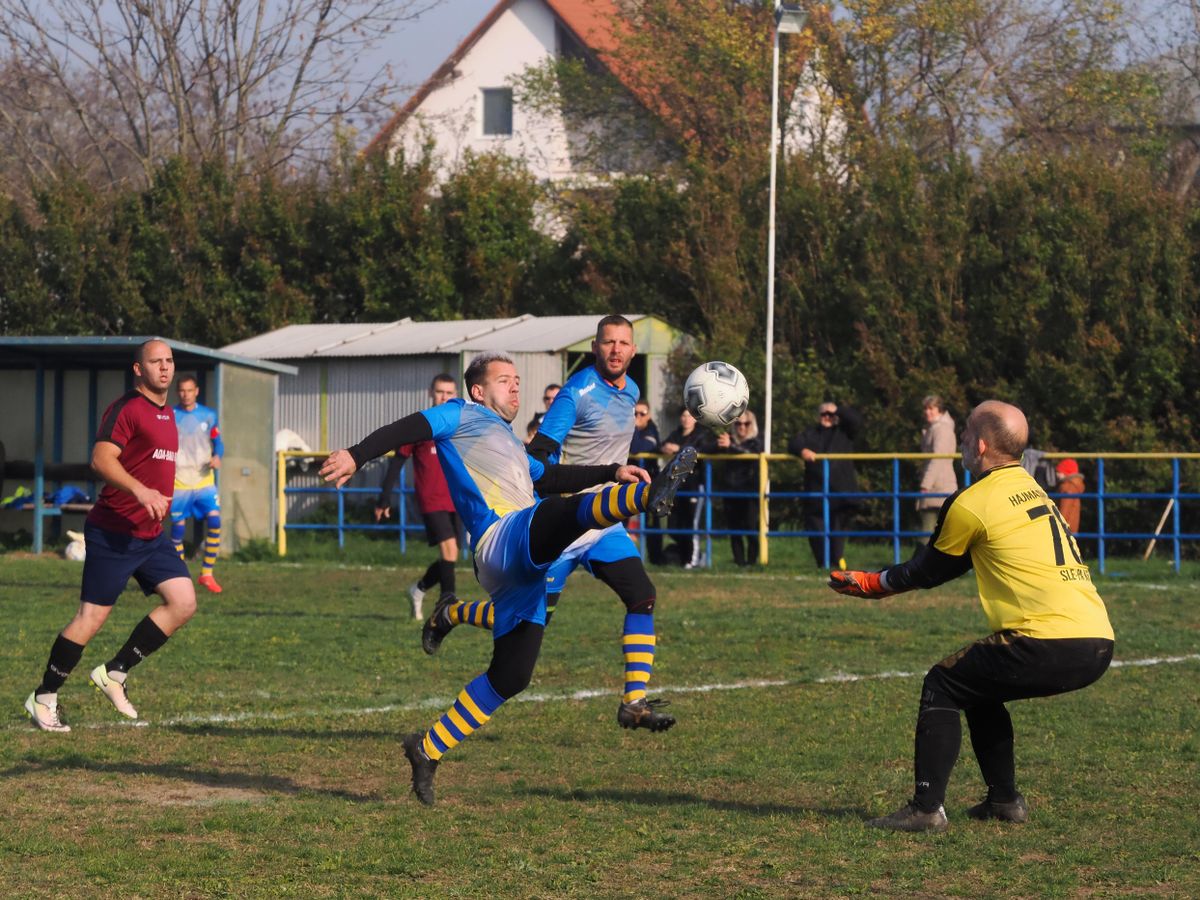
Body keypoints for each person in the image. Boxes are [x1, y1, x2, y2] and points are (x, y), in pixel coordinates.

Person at [319, 351, 696, 805]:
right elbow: (410, 427)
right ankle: (645, 496)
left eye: (518, 380)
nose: (515, 386)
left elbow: (550, 475)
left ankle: (427, 747)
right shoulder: (460, 414)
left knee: (513, 675)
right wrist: (357, 454)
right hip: (499, 539)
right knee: (559, 515)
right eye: (504, 380)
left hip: (518, 562)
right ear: (478, 390)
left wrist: (609, 471)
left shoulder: (512, 443)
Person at [830, 400, 1114, 833]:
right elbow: (956, 562)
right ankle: (1004, 801)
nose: (961, 440)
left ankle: (926, 809)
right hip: (1097, 640)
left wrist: (872, 584)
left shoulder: (974, 500)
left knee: (942, 683)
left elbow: (929, 570)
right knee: (978, 687)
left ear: (979, 445)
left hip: (1046, 641)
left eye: (964, 433)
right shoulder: (1034, 490)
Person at [24, 339, 198, 731]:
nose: (165, 368)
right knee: (90, 619)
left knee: (183, 603)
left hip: (151, 535)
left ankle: (115, 672)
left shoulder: (168, 414)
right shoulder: (127, 409)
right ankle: (44, 696)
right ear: (139, 369)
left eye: (169, 361)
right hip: (114, 532)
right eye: (156, 362)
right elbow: (101, 458)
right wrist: (139, 490)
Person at [374, 373, 461, 620]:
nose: (444, 396)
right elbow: (398, 461)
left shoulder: (458, 425)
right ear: (431, 393)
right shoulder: (422, 424)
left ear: (455, 395)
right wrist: (384, 498)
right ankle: (447, 607)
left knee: (451, 555)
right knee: (449, 550)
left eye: (449, 392)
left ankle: (419, 589)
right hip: (430, 498)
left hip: (455, 498)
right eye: (440, 392)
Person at [789, 401, 864, 570]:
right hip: (816, 491)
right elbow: (793, 443)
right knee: (816, 530)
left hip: (841, 491)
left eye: (831, 415)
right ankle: (822, 564)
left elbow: (856, 420)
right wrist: (802, 451)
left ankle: (836, 563)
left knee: (837, 532)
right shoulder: (811, 433)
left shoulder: (845, 432)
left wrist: (838, 409)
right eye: (824, 414)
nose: (827, 418)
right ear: (818, 416)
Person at [169, 374, 224, 593]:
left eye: (189, 390)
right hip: (179, 482)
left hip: (203, 480)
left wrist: (218, 456)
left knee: (215, 521)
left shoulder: (208, 415)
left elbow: (218, 442)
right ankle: (180, 577)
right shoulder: (170, 415)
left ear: (197, 391)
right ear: (178, 392)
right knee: (178, 529)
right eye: (182, 390)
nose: (186, 394)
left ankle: (207, 574)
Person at [661, 407, 718, 568]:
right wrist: (664, 447)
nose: (686, 419)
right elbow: (663, 444)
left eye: (689, 416)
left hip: (694, 485)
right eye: (683, 416)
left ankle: (693, 560)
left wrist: (678, 450)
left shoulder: (701, 434)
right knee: (674, 526)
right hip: (676, 486)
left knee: (692, 523)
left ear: (695, 419)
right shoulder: (676, 433)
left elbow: (704, 449)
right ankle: (688, 555)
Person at [716, 410, 762, 566]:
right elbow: (707, 448)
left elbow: (751, 454)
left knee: (750, 528)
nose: (742, 427)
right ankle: (740, 563)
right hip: (731, 490)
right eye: (738, 423)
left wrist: (731, 446)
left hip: (749, 491)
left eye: (746, 423)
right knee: (734, 530)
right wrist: (718, 443)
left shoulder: (756, 441)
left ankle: (752, 562)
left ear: (752, 425)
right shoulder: (729, 440)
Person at [916, 395, 957, 539]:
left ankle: (919, 561)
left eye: (931, 408)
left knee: (927, 535)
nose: (927, 412)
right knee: (935, 535)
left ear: (939, 409)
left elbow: (937, 459)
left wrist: (925, 485)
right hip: (937, 487)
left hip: (939, 488)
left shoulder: (941, 430)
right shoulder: (934, 428)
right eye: (926, 409)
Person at [629, 399, 664, 565]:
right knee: (619, 520)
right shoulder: (629, 429)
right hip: (629, 484)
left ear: (648, 415)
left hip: (649, 484)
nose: (638, 417)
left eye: (642, 414)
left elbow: (637, 447)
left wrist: (633, 428)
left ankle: (656, 558)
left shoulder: (652, 431)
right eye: (634, 414)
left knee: (652, 521)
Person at [1055, 458, 1084, 535]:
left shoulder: (1068, 487)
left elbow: (1064, 510)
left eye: (1059, 472)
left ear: (1066, 472)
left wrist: (1057, 526)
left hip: (1064, 529)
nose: (1056, 474)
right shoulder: (1074, 486)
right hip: (1071, 528)